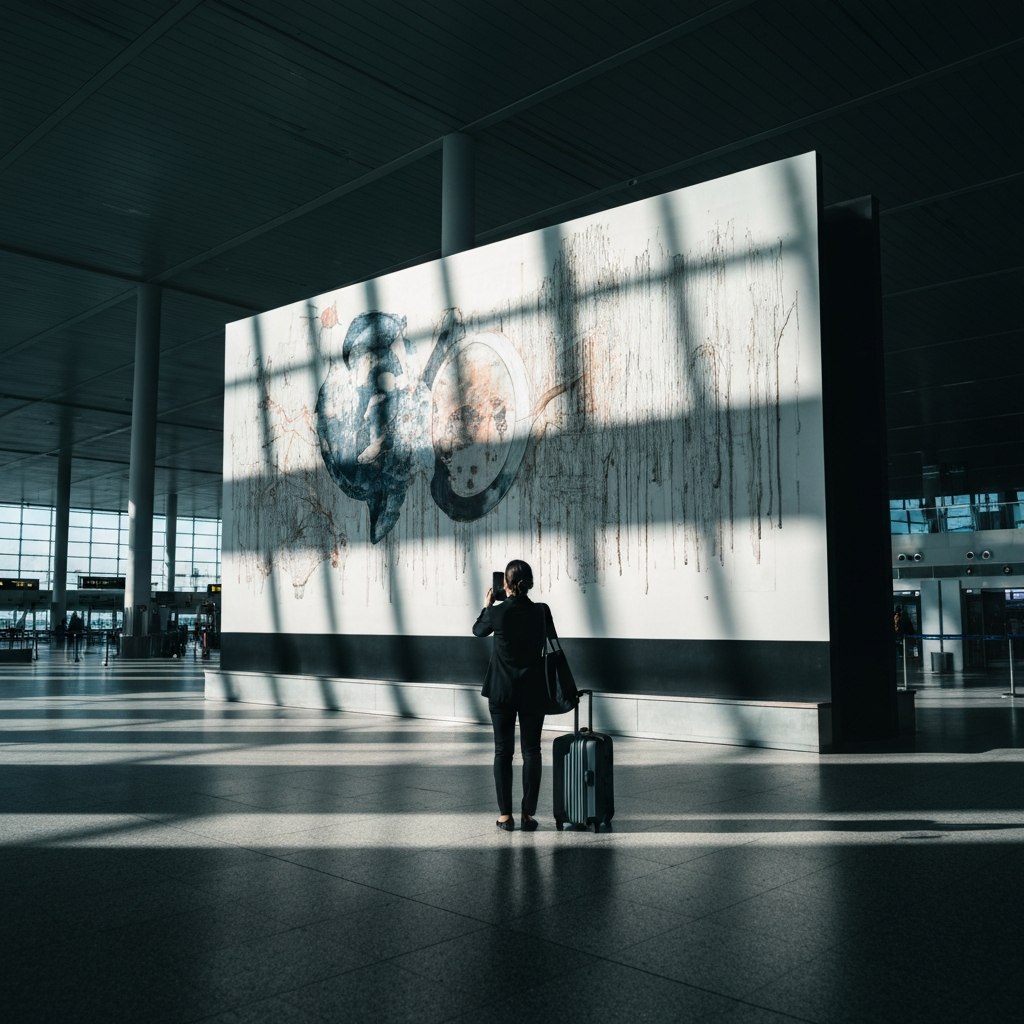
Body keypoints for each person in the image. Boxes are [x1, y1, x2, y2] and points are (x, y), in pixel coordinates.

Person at [473, 559, 555, 832]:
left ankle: (505, 816)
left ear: (504, 584)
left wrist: (487, 606)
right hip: (533, 691)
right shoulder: (542, 611)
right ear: (529, 583)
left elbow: (478, 631)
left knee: (502, 752)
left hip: (501, 691)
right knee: (532, 752)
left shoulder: (496, 613)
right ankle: (528, 815)